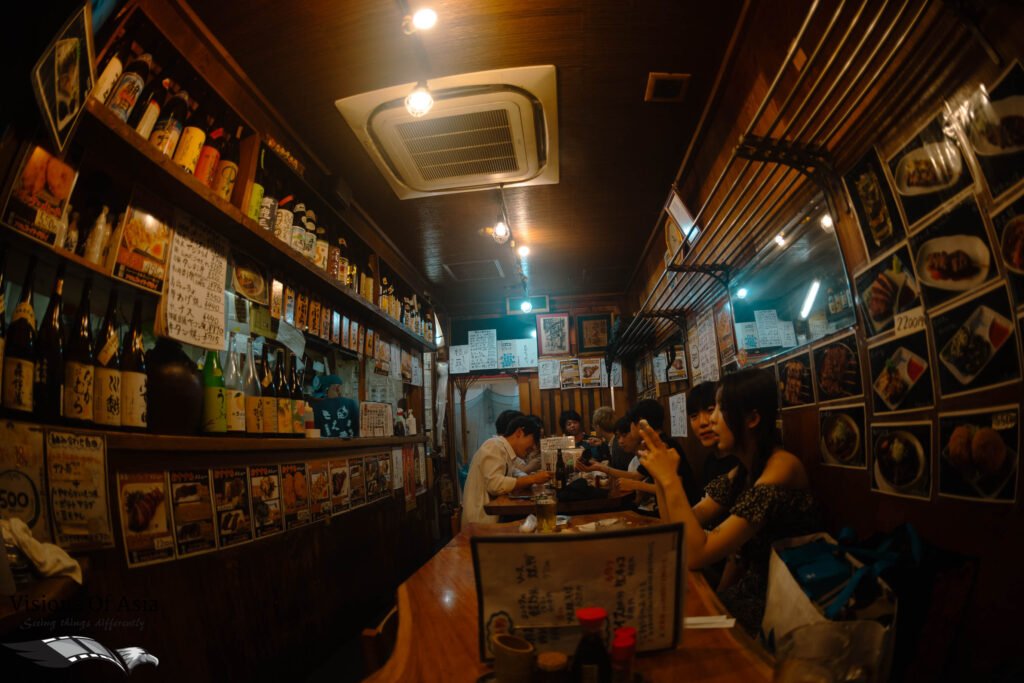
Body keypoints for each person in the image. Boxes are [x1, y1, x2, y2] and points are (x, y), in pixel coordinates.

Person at [636, 368, 821, 634]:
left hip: (784, 606)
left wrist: (669, 480)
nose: (709, 421)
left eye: (718, 410)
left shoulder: (782, 468)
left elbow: (696, 554)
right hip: (755, 593)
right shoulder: (744, 471)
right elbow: (677, 530)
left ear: (752, 419)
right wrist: (663, 477)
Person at [461, 416, 552, 528]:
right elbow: (495, 485)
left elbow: (515, 472)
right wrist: (532, 479)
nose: (533, 447)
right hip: (481, 523)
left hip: (492, 518)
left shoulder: (505, 450)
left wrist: (532, 479)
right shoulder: (494, 446)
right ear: (519, 432)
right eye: (534, 441)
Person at [687, 381, 738, 489]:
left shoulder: (742, 462)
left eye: (710, 410)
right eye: (694, 416)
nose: (702, 422)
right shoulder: (709, 462)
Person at [494, 409, 541, 474]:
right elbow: (497, 483)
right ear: (518, 432)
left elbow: (516, 475)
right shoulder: (495, 447)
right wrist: (531, 477)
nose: (534, 447)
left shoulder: (508, 451)